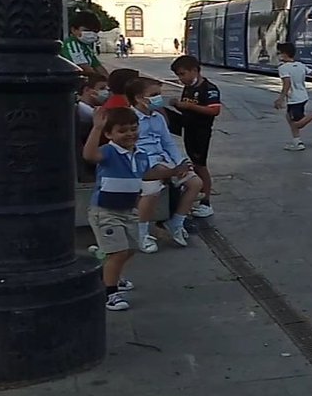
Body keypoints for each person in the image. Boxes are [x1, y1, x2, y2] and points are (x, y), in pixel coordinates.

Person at [82, 106, 186, 311]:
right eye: (122, 130)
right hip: (105, 210)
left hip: (129, 209)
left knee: (131, 248)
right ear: (109, 134)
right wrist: (96, 129)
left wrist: (173, 171)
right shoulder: (110, 152)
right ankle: (109, 292)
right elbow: (89, 155)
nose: (130, 134)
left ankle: (110, 268)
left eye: (133, 128)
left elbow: (146, 174)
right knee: (119, 251)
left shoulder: (140, 154)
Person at [128, 77, 203, 253]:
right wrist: (172, 170)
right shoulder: (130, 118)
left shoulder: (158, 118)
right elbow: (131, 146)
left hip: (164, 160)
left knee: (196, 183)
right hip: (143, 163)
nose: (158, 99)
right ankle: (142, 233)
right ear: (139, 98)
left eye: (159, 94)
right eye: (154, 95)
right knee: (152, 190)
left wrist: (180, 162)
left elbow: (168, 142)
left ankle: (176, 222)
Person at [170, 55, 222, 218]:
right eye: (178, 75)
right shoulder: (189, 87)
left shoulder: (209, 88)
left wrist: (189, 106)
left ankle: (206, 201)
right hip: (189, 129)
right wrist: (179, 106)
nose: (181, 78)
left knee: (200, 165)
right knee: (194, 163)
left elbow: (214, 110)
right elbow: (188, 108)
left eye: (182, 74)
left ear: (194, 70)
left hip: (201, 132)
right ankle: (196, 192)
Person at [274, 42, 312, 151]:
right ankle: (297, 142)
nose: (278, 55)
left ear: (284, 54)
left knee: (297, 124)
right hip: (303, 96)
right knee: (289, 118)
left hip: (294, 99)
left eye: (279, 53)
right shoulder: (300, 65)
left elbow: (287, 83)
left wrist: (280, 98)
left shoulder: (283, 68)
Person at [60, 11, 108, 77]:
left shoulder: (86, 47)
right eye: (86, 30)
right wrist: (101, 80)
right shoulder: (72, 44)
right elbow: (85, 68)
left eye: (94, 31)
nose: (91, 34)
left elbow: (98, 66)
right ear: (73, 30)